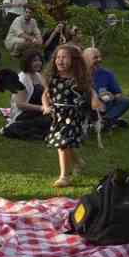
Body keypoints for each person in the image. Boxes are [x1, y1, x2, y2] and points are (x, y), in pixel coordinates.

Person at [42, 45, 104, 188]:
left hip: (73, 115)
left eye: (64, 57)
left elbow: (91, 90)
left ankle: (64, 176)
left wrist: (95, 100)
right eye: (58, 57)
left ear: (74, 60)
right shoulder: (53, 78)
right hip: (58, 116)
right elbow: (45, 95)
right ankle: (78, 162)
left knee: (62, 143)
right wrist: (45, 106)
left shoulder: (78, 79)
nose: (60, 60)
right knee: (65, 143)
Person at [83, 47, 129, 128]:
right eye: (95, 57)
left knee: (125, 101)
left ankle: (105, 121)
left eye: (100, 57)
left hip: (105, 105)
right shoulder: (79, 74)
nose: (99, 59)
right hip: (88, 106)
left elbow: (118, 93)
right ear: (85, 59)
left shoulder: (107, 74)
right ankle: (112, 121)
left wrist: (112, 96)